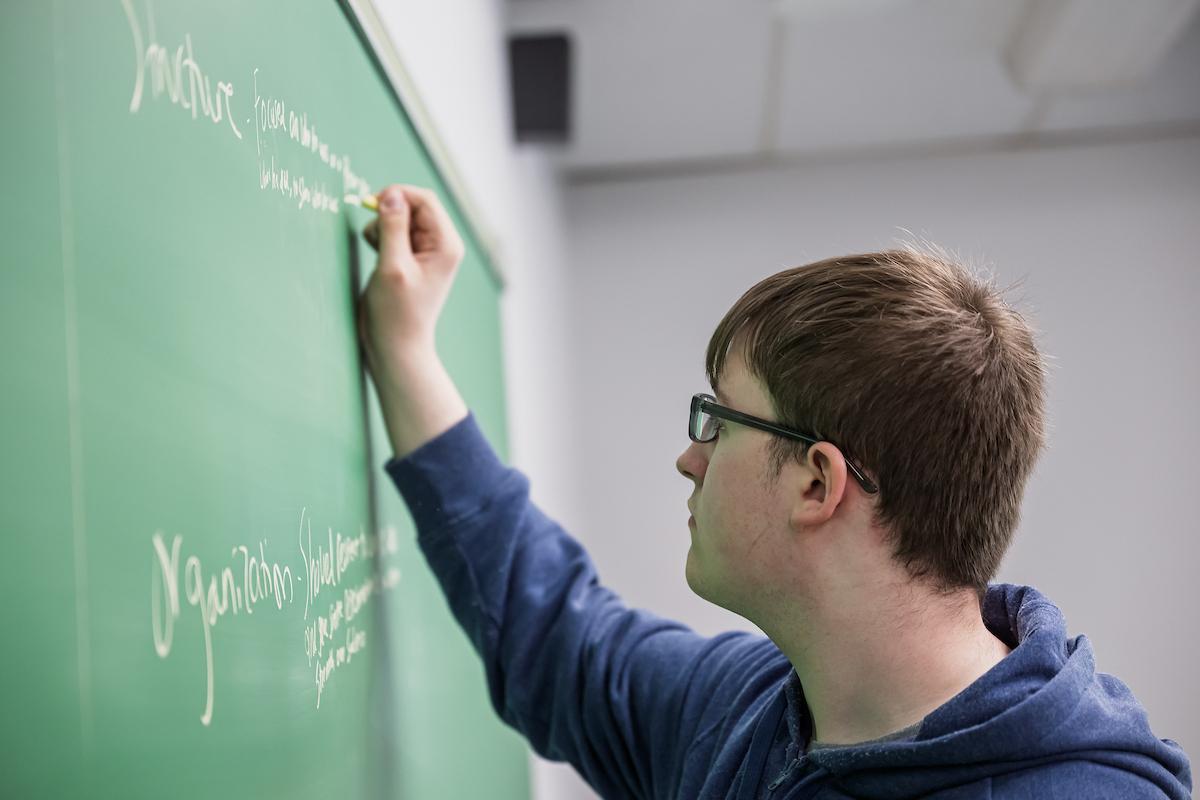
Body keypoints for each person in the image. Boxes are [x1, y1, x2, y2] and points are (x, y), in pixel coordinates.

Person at [357, 184, 1192, 799]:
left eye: (718, 420)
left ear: (818, 481)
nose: (691, 459)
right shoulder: (749, 713)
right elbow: (557, 637)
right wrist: (405, 353)